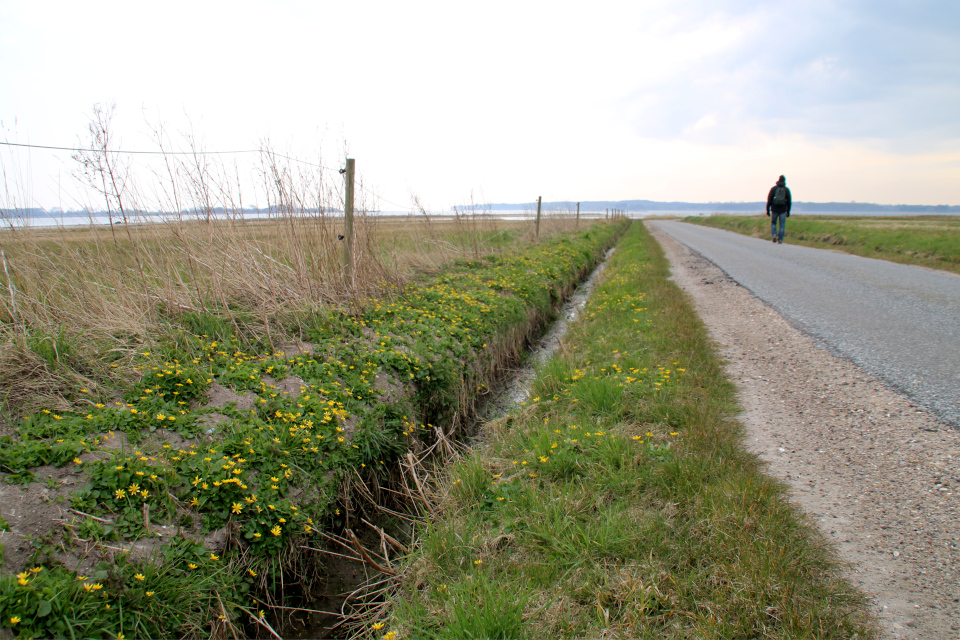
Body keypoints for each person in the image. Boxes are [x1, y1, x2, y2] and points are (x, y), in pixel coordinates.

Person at [766, 175, 792, 244]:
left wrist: (768, 209)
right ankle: (780, 239)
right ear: (784, 181)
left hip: (774, 209)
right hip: (783, 209)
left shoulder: (773, 189)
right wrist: (788, 211)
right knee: (782, 224)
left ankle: (774, 234)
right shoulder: (786, 189)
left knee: (773, 223)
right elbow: (789, 201)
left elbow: (769, 199)